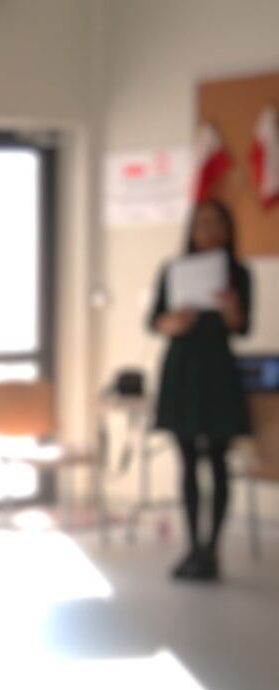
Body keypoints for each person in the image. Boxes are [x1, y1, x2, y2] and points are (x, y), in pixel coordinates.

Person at [148, 199, 252, 581]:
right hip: (182, 370)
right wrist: (173, 322)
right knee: (188, 460)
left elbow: (243, 327)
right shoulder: (173, 270)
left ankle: (212, 549)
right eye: (203, 224)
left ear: (227, 230)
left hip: (218, 371)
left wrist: (231, 309)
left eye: (217, 224)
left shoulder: (239, 273)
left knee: (219, 461)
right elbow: (154, 322)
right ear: (192, 230)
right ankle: (192, 547)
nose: (209, 231)